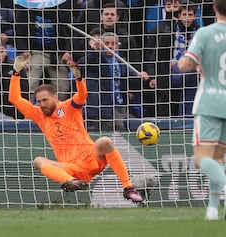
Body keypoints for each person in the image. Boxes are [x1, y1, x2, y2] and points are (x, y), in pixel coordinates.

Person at [8, 54, 143, 203]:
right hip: (71, 168)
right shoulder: (38, 114)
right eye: (39, 101)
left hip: (92, 159)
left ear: (55, 97)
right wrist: (16, 72)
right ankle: (71, 182)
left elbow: (82, 95)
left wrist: (79, 78)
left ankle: (128, 187)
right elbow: (14, 99)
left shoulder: (69, 107)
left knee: (104, 141)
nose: (42, 104)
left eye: (45, 100)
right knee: (38, 161)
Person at [178, 0, 226, 220]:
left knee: (202, 158)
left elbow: (185, 65)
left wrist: (188, 61)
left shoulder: (205, 33)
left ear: (214, 8)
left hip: (210, 103)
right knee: (217, 158)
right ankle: (213, 209)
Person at [78, 31, 154, 130]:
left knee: (136, 126)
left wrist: (144, 78)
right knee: (119, 129)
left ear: (118, 46)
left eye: (113, 44)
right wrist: (95, 49)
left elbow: (133, 78)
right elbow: (85, 64)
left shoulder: (121, 62)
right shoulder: (95, 59)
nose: (110, 46)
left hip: (119, 107)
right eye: (107, 43)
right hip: (100, 110)